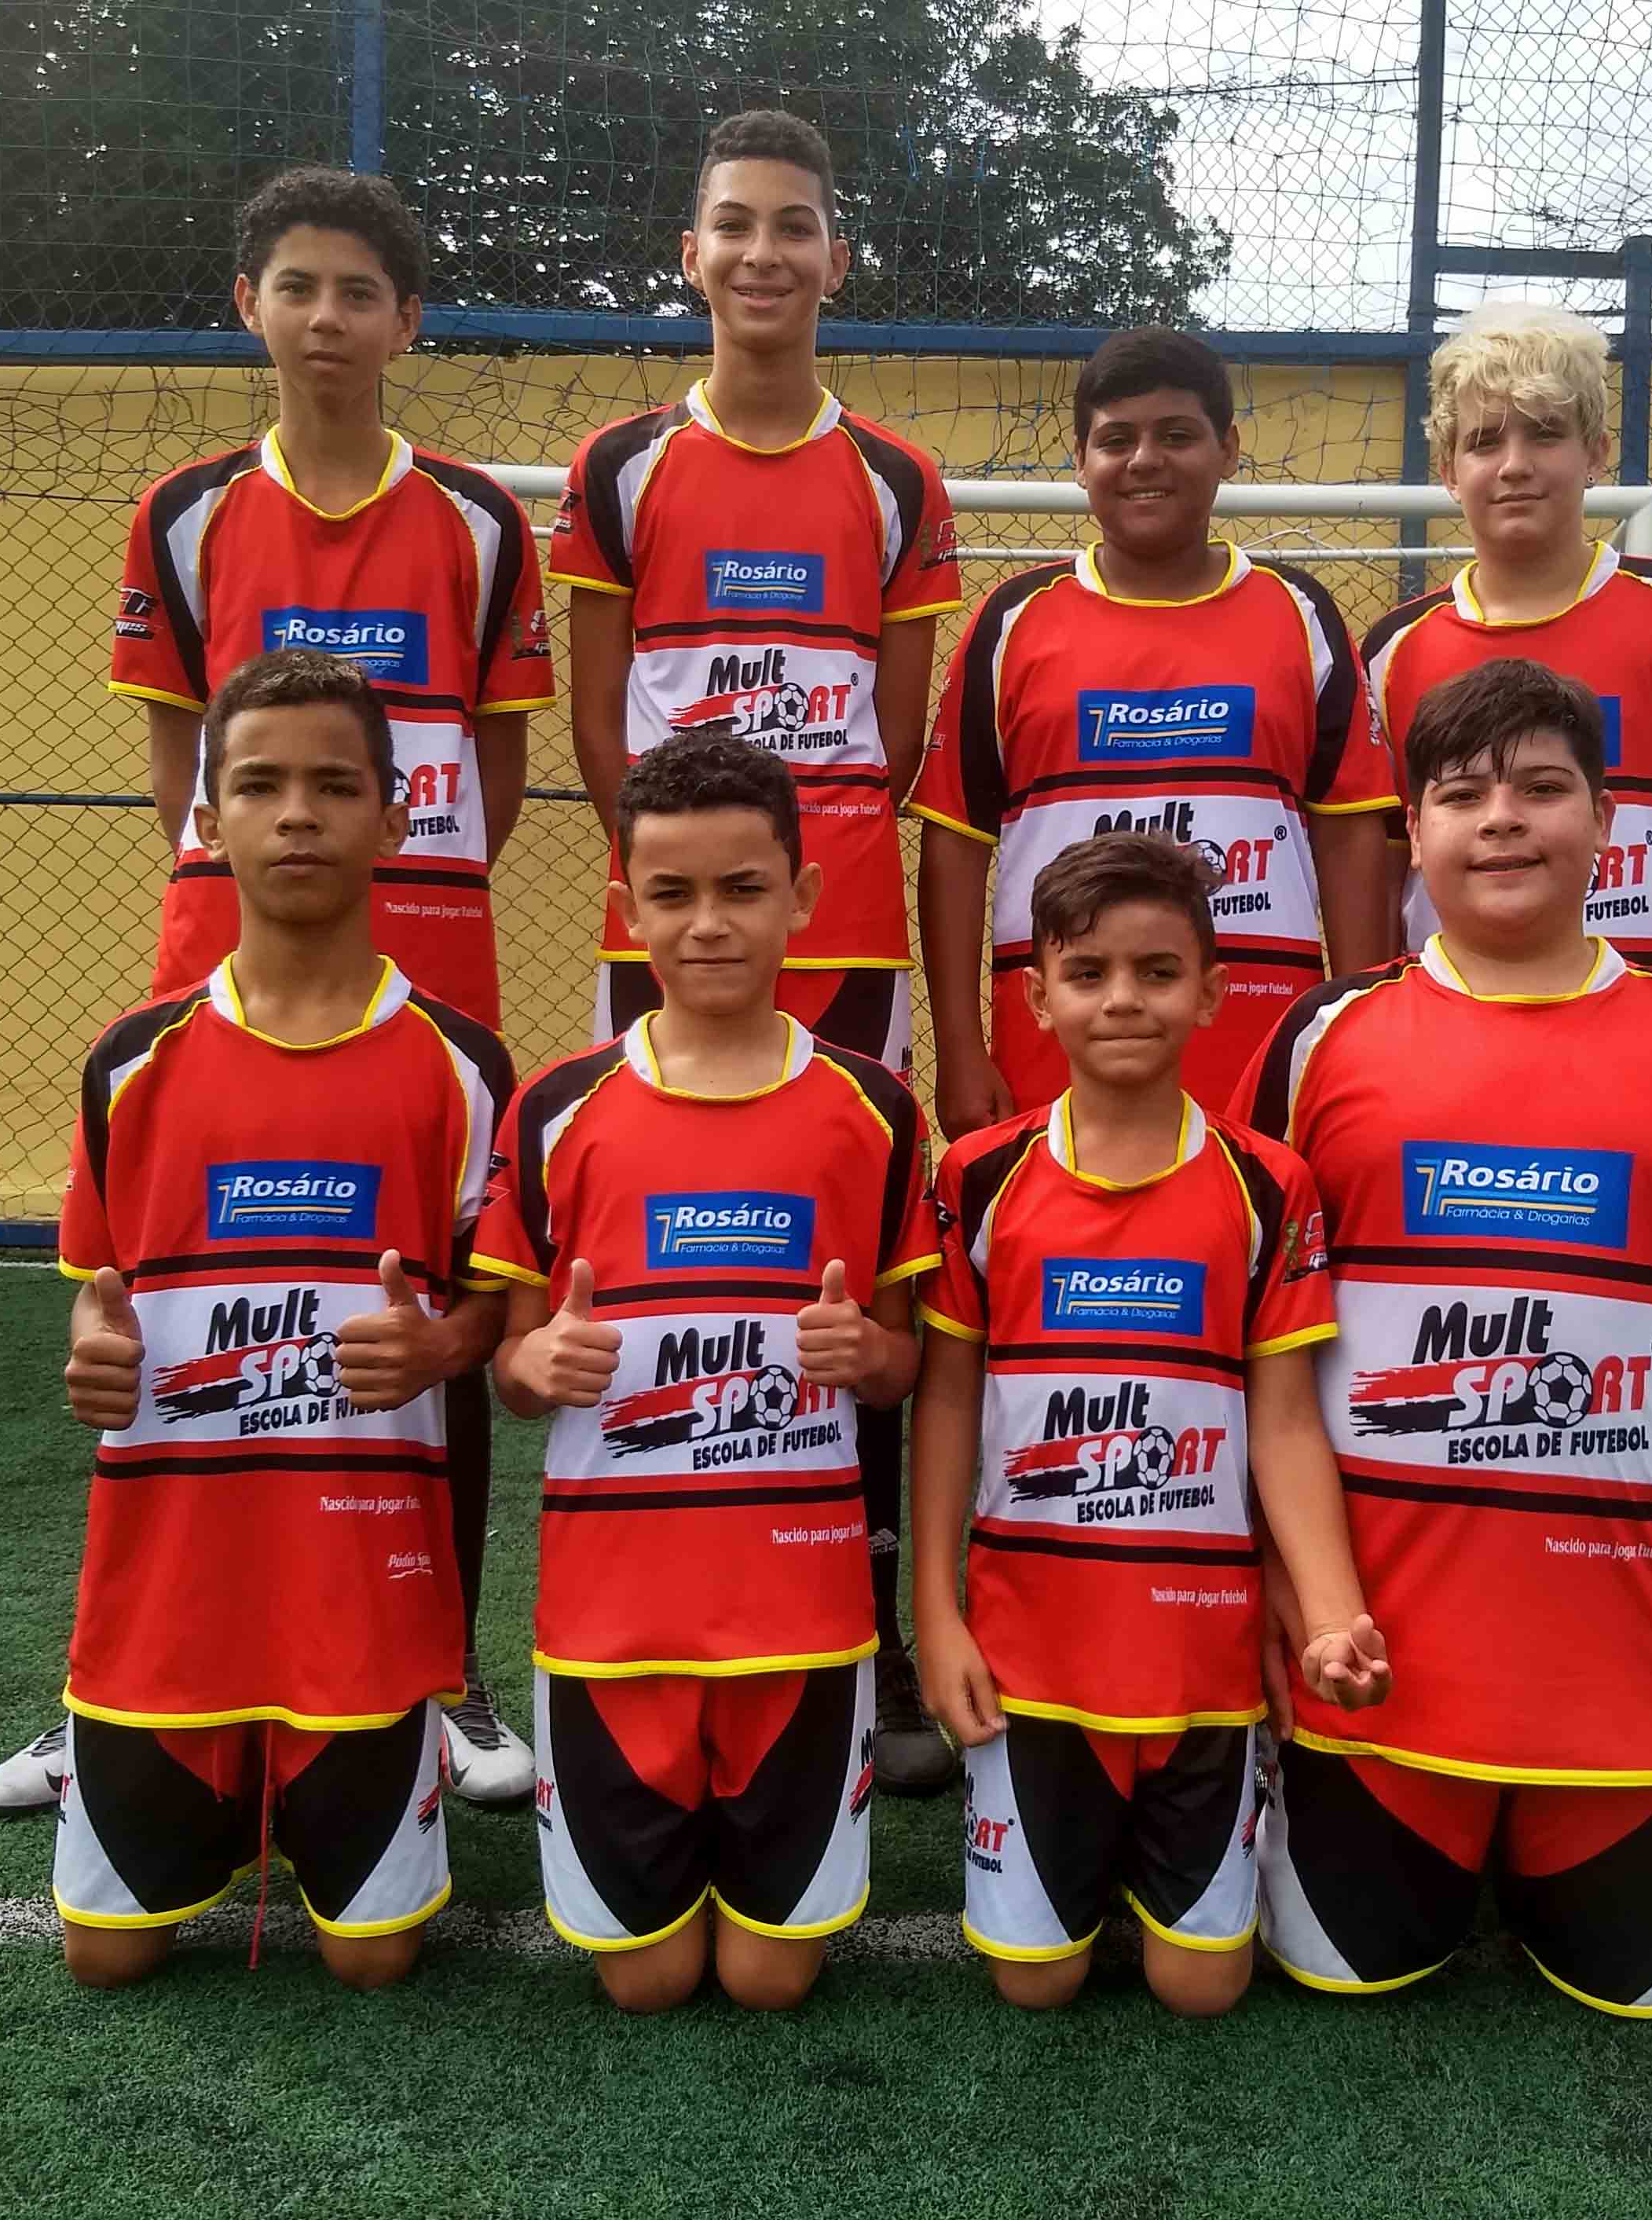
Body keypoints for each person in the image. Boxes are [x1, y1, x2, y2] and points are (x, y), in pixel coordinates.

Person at [0, 165, 553, 1819]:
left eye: (359, 290)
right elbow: (183, 765)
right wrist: (253, 897)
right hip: (219, 979)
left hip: (424, 967)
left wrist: (398, 888)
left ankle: (438, 1676)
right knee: (172, 1325)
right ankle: (110, 1685)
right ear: (250, 306)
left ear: (406, 321)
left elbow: (496, 763)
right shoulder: (186, 510)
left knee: (432, 1321)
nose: (326, 317)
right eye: (296, 285)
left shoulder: (479, 521)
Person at [1232, 658, 1652, 2013]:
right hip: (1377, 1667)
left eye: (1541, 787)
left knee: (1644, 1983)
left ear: (1608, 822)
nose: (1501, 818)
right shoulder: (1320, 1041)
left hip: (1633, 1662)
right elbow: (1245, 1354)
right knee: (1346, 1970)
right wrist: (1275, 1583)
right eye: (1462, 794)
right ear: (1412, 829)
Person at [546, 107, 963, 1794]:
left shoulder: (896, 479)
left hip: (842, 930)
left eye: (794, 225)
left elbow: (901, 732)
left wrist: (804, 869)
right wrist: (686, 882)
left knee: (851, 1281)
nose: (764, 252)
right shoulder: (620, 466)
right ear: (693, 254)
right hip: (667, 938)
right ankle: (655, 1601)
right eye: (735, 223)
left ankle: (872, 1635)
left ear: (834, 259)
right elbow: (598, 723)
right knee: (659, 1263)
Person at [49, 648, 511, 1988]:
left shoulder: (464, 1066)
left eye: (334, 785)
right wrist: (89, 1353)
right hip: (168, 1592)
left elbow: (497, 1309)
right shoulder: (131, 1061)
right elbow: (98, 1288)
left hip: (359, 1595)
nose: (297, 813)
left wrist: (443, 1344)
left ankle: (385, 1755)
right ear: (208, 820)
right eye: (259, 785)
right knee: (103, 1960)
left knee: (376, 1963)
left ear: (397, 816)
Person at [472, 735, 936, 2013]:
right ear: (628, 907)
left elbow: (903, 1364)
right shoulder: (556, 1108)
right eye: (672, 894)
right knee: (647, 1981)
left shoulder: (874, 1109)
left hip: (801, 1619)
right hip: (612, 1624)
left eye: (743, 888)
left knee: (772, 1979)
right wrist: (537, 1361)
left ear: (803, 897)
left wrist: (869, 1354)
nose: (708, 922)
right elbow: (510, 1366)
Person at [910, 832, 1389, 2014]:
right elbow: (948, 1398)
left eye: (1158, 971)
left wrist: (1332, 1615)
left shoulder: (1267, 1183)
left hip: (1200, 1660)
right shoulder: (980, 1176)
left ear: (1212, 990)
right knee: (1036, 1985)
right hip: (1031, 1659)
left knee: (1201, 1988)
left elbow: (1285, 1421)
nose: (1122, 998)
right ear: (1038, 997)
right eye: (1089, 973)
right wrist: (937, 1611)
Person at [913, 328, 1396, 1136]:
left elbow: (1350, 837)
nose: (1145, 460)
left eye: (1176, 435)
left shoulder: (1299, 613)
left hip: (1258, 1050)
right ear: (1080, 461)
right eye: (1116, 440)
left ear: (1228, 449)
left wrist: (1355, 1029)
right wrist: (961, 1048)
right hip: (1052, 1061)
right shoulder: (1013, 622)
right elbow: (956, 841)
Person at [1367, 301, 1652, 1009]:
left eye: (1545, 434)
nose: (1515, 465)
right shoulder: (1394, 651)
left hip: (1651, 1018)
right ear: (1447, 470)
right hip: (1453, 1029)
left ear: (1596, 451)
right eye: (1484, 442)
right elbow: (1387, 864)